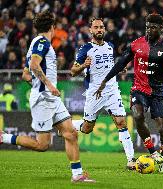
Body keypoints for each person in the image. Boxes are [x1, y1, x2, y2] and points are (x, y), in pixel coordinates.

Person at [0, 11, 95, 183]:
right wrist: (49, 86)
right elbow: (34, 65)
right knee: (42, 145)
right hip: (44, 99)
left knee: (71, 133)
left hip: (50, 98)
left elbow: (25, 74)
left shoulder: (35, 43)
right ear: (53, 27)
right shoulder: (42, 42)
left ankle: (77, 175)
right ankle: (3, 137)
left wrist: (39, 85)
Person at [95, 13, 163, 172]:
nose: (149, 30)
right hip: (139, 89)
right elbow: (121, 63)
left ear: (160, 28)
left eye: (153, 27)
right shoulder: (136, 44)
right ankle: (153, 153)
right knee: (138, 116)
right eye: (147, 27)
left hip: (159, 92)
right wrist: (105, 80)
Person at [70, 17, 136, 170]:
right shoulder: (85, 49)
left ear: (104, 30)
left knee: (121, 122)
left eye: (101, 27)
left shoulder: (110, 46)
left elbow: (109, 66)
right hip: (95, 93)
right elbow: (73, 71)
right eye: (96, 27)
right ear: (90, 30)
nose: (99, 29)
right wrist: (83, 66)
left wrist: (119, 69)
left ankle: (131, 160)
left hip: (112, 90)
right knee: (87, 128)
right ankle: (66, 124)